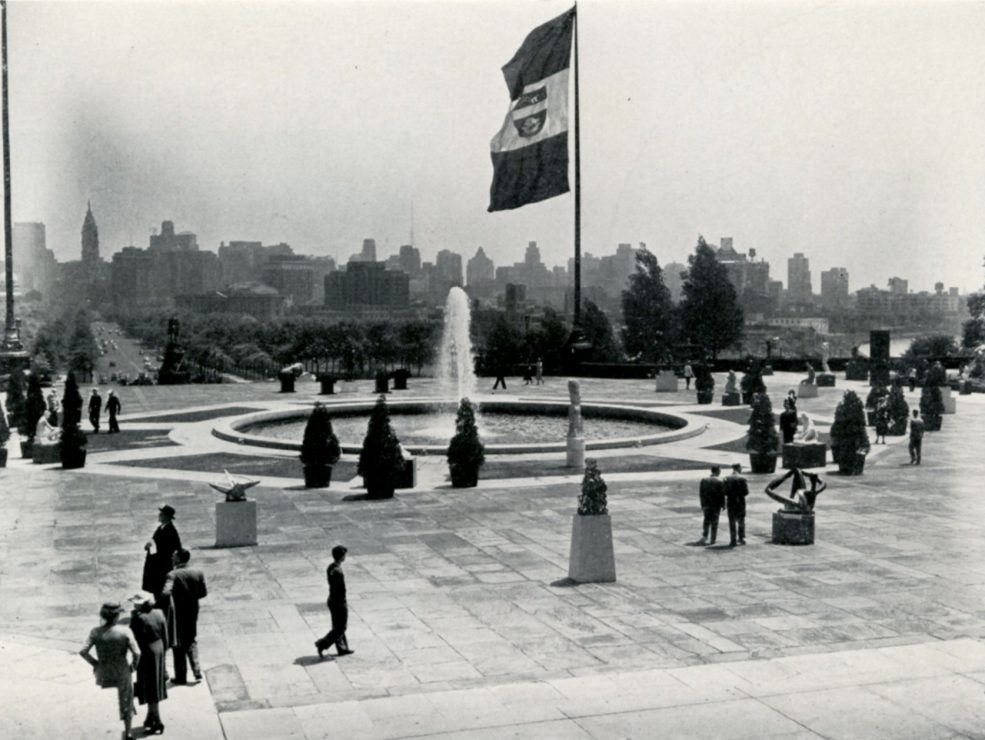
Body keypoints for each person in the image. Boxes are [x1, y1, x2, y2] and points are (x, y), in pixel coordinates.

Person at [79, 602, 141, 740]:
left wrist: (95, 664)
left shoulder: (95, 632)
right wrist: (132, 667)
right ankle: (128, 730)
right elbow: (137, 653)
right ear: (117, 616)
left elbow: (83, 651)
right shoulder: (125, 631)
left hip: (103, 671)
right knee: (126, 699)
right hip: (122, 670)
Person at [161, 548, 207, 685]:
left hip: (177, 613)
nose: (172, 558)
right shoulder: (198, 572)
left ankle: (181, 676)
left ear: (179, 559)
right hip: (193, 610)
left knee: (178, 642)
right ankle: (197, 670)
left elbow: (165, 593)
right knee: (191, 638)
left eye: (174, 556)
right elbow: (203, 593)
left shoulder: (172, 574)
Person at [129, 591, 168, 735]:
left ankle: (157, 721)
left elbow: (133, 638)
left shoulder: (139, 619)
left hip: (146, 652)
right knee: (155, 686)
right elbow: (165, 635)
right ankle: (151, 718)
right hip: (159, 648)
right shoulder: (159, 613)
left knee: (149, 687)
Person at [315, 545, 354, 658]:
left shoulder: (331, 567)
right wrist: (343, 603)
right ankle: (322, 643)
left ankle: (342, 648)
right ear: (342, 556)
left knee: (337, 625)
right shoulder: (338, 572)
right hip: (338, 602)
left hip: (332, 599)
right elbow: (340, 590)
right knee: (341, 627)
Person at [142, 505, 181, 601]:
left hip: (162, 566)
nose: (159, 515)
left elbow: (176, 547)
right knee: (156, 589)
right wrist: (148, 545)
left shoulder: (171, 531)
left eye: (161, 514)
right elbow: (154, 540)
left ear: (166, 516)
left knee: (160, 589)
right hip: (155, 565)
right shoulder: (161, 528)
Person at [698, 466, 725, 545]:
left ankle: (705, 535)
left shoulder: (704, 480)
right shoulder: (720, 481)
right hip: (716, 505)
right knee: (715, 521)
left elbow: (701, 494)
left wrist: (702, 504)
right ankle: (713, 538)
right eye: (719, 470)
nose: (720, 472)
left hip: (707, 504)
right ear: (716, 471)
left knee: (706, 520)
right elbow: (722, 494)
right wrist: (723, 504)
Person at [724, 463, 749, 546]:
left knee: (732, 521)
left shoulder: (727, 478)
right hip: (740, 502)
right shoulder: (742, 478)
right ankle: (741, 538)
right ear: (738, 468)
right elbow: (746, 492)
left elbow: (724, 492)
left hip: (731, 502)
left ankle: (733, 539)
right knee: (741, 521)